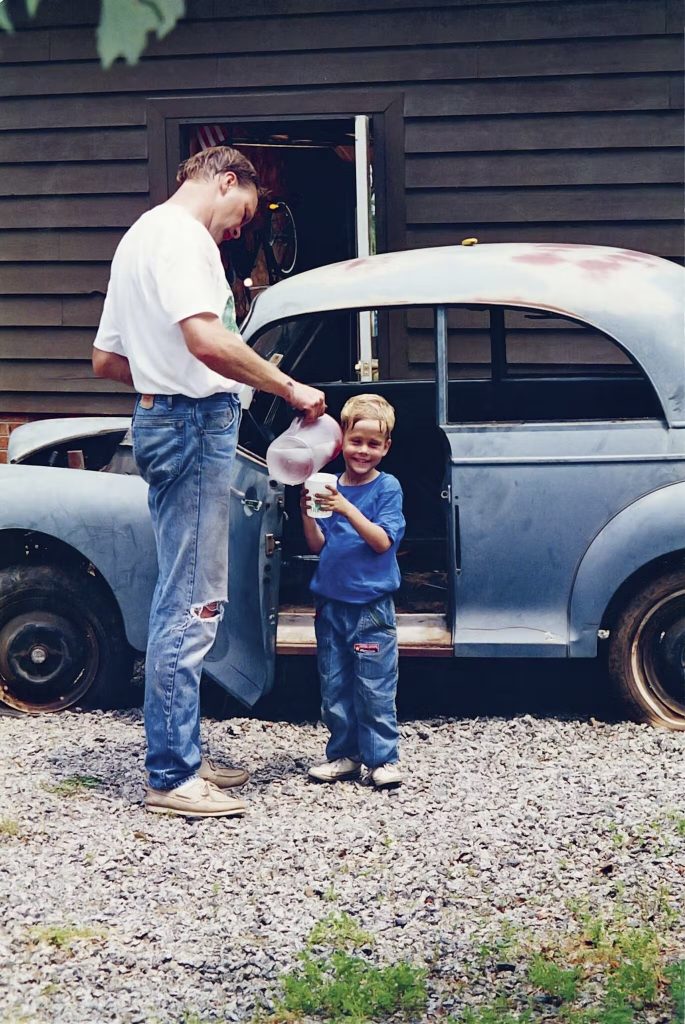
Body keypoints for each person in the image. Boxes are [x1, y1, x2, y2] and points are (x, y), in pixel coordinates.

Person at [92, 146, 326, 818]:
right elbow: (204, 339)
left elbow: (107, 359)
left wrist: (167, 373)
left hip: (165, 418)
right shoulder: (183, 238)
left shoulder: (140, 238)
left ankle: (182, 751)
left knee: (186, 589)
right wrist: (288, 385)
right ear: (226, 181)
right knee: (191, 601)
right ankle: (169, 775)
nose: (239, 229)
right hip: (194, 426)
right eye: (243, 212)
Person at [300, 395, 405, 788]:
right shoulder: (330, 484)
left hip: (371, 607)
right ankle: (344, 755)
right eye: (356, 441)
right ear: (341, 440)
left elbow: (382, 542)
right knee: (335, 685)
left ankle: (383, 759)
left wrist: (346, 508)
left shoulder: (387, 488)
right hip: (331, 603)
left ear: (386, 448)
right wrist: (308, 513)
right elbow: (317, 546)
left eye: (373, 444)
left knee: (375, 686)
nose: (363, 450)